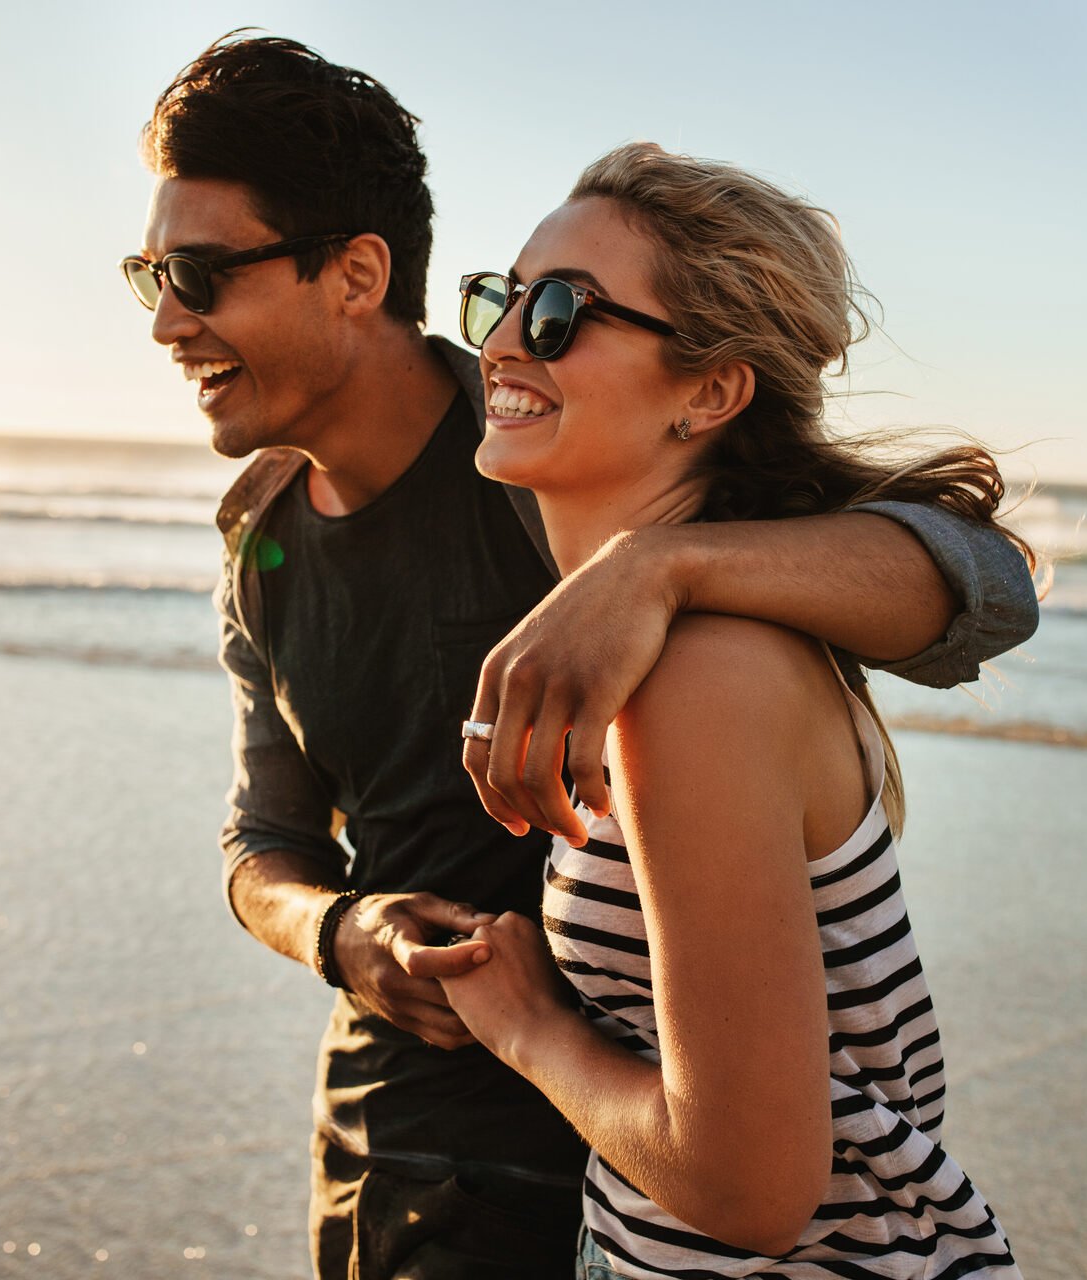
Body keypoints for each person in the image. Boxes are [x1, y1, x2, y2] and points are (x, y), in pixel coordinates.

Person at [122, 33, 1037, 1280]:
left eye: (200, 272)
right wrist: (344, 931)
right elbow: (261, 840)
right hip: (402, 1142)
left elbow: (985, 587)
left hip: (591, 1170)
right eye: (151, 274)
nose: (168, 318)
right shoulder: (262, 541)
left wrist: (658, 569)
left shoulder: (553, 465)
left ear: (354, 274)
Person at [436, 145, 1025, 1279]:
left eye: (558, 311)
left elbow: (751, 1190)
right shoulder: (681, 635)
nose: (504, 341)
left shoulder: (695, 677)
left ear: (709, 390)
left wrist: (526, 1024)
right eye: (501, 298)